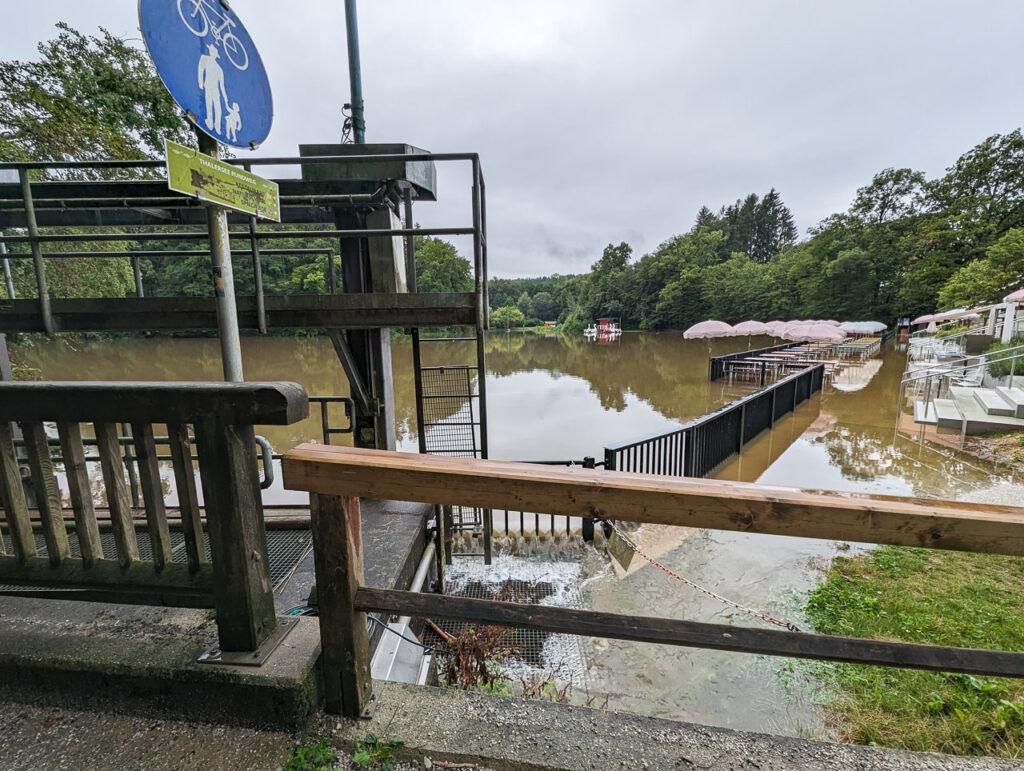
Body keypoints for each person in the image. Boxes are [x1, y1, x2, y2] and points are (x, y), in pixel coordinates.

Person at [197, 44, 228, 134]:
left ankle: (217, 125)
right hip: (208, 86)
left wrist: (225, 97)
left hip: (215, 90)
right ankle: (209, 121)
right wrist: (200, 82)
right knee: (209, 105)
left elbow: (221, 85)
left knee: (218, 108)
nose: (212, 52)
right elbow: (200, 69)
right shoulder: (204, 58)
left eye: (214, 51)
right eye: (211, 50)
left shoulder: (219, 69)